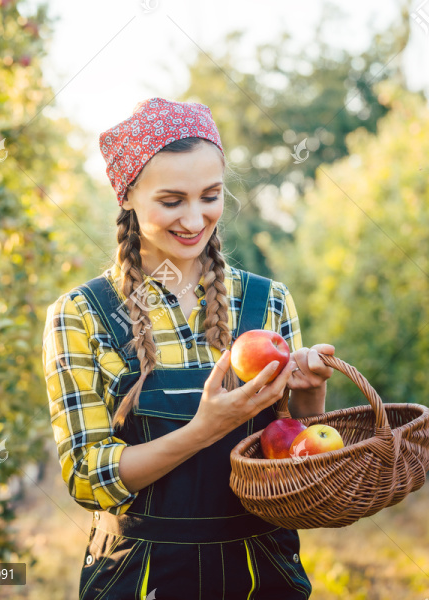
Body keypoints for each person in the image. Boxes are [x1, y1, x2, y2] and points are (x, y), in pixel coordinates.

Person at [42, 97, 335, 599]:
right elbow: (89, 478)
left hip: (258, 571)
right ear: (128, 196)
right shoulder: (82, 314)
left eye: (211, 196)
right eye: (172, 201)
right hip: (141, 577)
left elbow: (292, 452)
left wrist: (309, 393)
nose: (196, 219)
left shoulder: (267, 302)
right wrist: (203, 431)